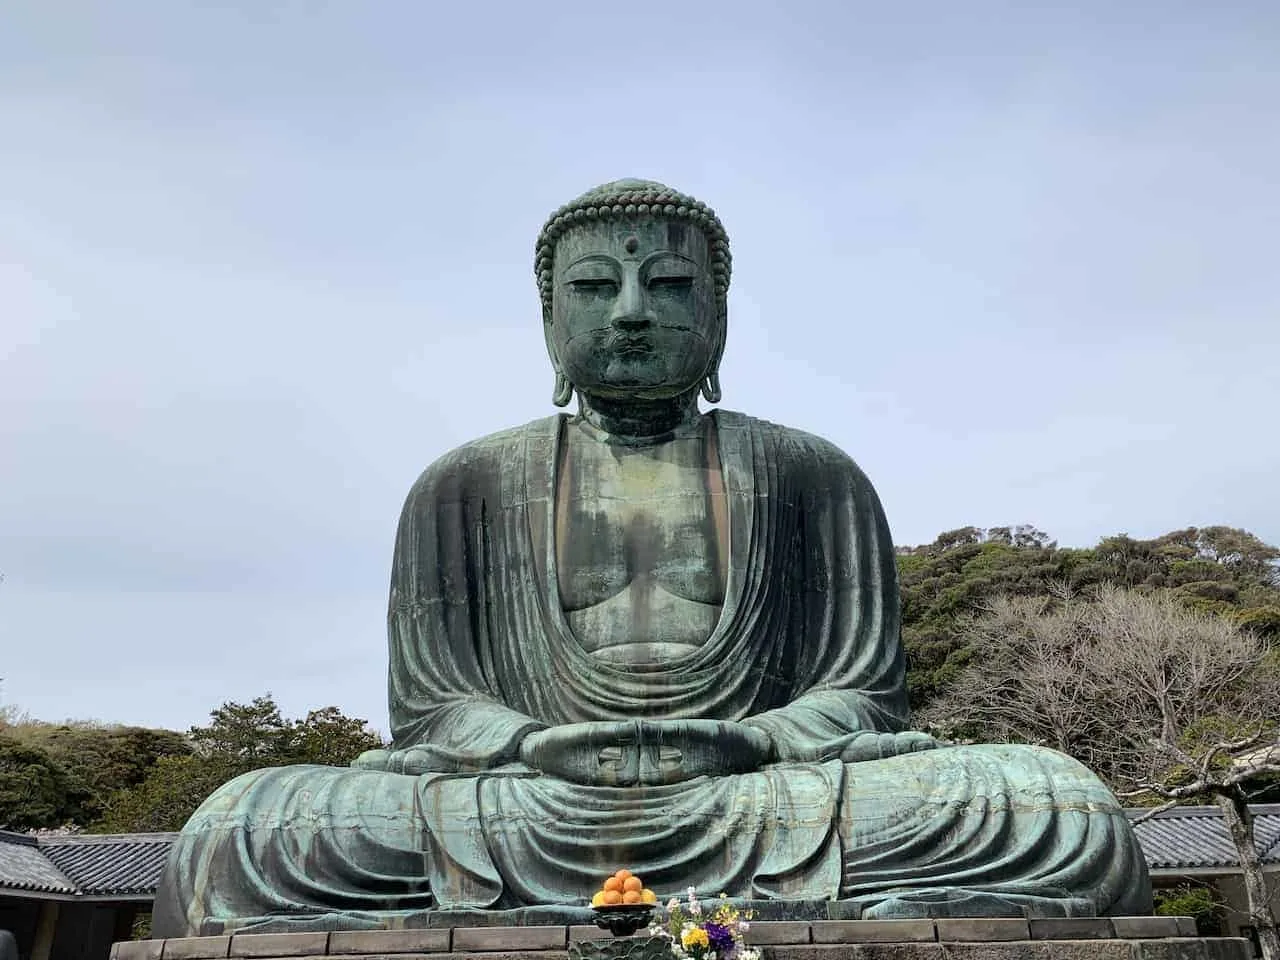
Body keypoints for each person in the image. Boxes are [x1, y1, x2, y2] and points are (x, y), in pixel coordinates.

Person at [153, 180, 1151, 937]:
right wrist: (522, 744)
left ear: (714, 314)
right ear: (549, 315)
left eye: (666, 284)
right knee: (240, 830)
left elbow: (859, 695)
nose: (629, 308)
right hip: (525, 797)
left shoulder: (807, 472)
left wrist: (750, 741)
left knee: (1048, 803)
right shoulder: (462, 486)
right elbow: (433, 707)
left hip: (762, 792)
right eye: (594, 285)